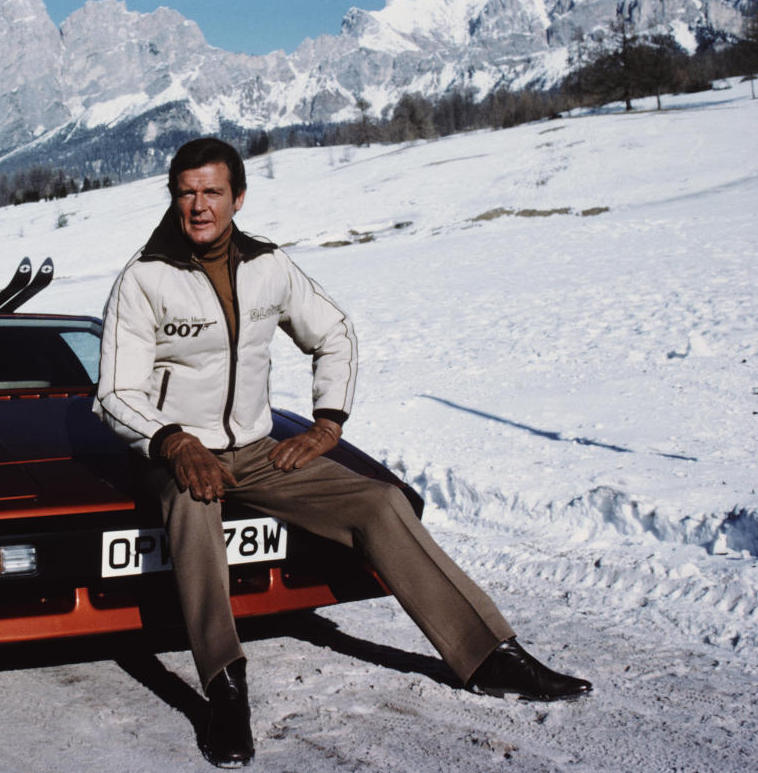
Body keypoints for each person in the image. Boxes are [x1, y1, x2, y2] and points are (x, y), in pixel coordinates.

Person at [93, 137, 590, 768]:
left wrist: (328, 423)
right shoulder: (144, 278)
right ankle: (225, 687)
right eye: (187, 192)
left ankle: (489, 654)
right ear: (174, 197)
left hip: (255, 447)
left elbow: (335, 333)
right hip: (174, 456)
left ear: (237, 198)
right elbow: (115, 392)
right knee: (195, 504)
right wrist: (173, 440)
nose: (199, 205)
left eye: (212, 191)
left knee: (379, 500)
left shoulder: (269, 267)